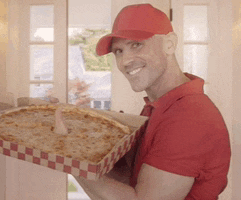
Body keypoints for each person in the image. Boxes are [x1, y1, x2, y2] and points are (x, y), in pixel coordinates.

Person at [63, 3, 231, 200]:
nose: (125, 61)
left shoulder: (190, 116)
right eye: (118, 51)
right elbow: (132, 181)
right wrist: (80, 145)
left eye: (136, 44)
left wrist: (70, 153)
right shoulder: (159, 107)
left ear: (169, 44)